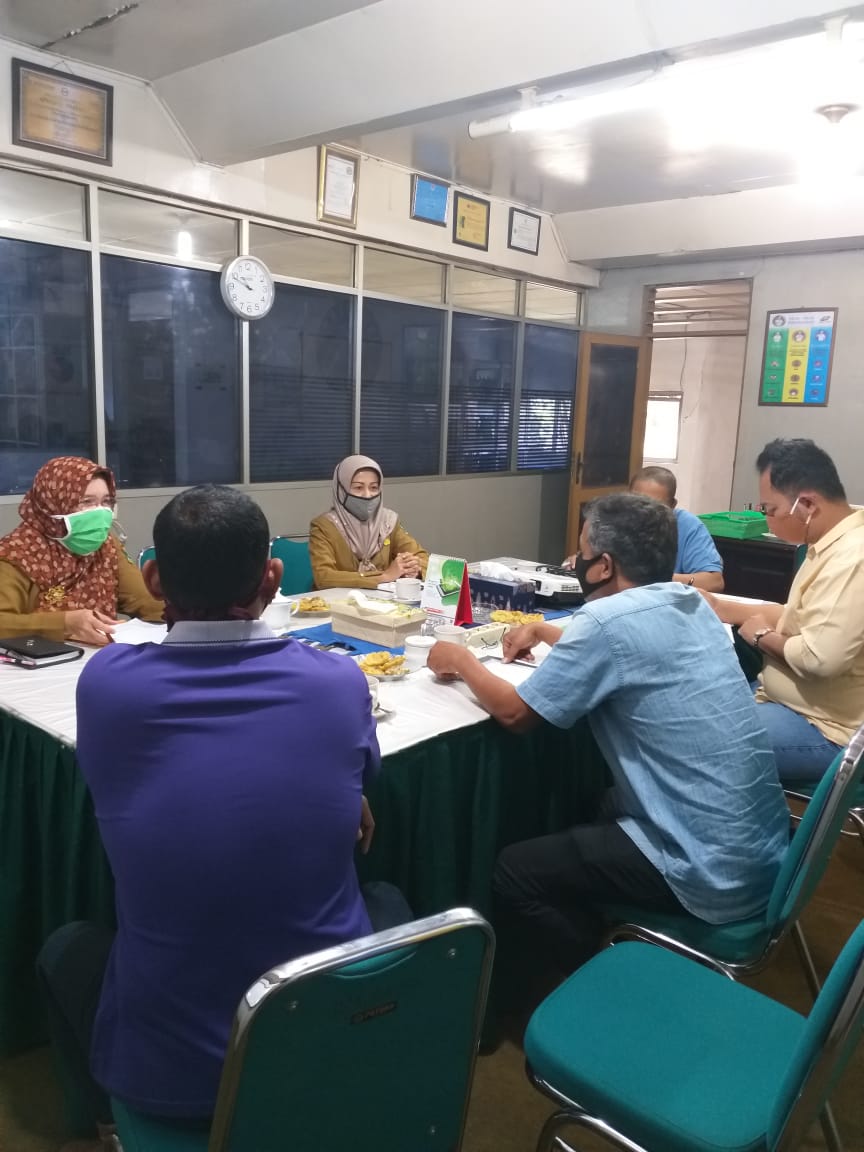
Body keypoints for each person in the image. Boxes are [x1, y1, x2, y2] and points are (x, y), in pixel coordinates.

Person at [37, 484, 409, 1151]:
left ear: (154, 580)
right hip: (322, 1038)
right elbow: (357, 773)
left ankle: (102, 1126)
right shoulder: (338, 683)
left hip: (172, 1075)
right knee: (384, 898)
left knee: (67, 948)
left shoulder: (109, 686)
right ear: (273, 577)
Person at [427, 492, 787, 990]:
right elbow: (633, 649)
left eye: (582, 552)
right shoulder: (692, 603)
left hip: (705, 867)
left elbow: (515, 714)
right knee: (594, 804)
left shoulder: (604, 621)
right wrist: (546, 632)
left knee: (514, 871)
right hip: (763, 856)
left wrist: (461, 660)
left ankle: (607, 980)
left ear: (604, 566)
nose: (577, 561)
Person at [702, 438, 864, 784]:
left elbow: (819, 659)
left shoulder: (853, 558)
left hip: (825, 730)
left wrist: (761, 636)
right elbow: (800, 617)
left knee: (700, 739)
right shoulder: (828, 542)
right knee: (699, 705)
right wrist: (720, 606)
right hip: (787, 703)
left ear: (807, 505)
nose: (766, 519)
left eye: (769, 510)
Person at [0, 456, 163, 645]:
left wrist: (184, 616)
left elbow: (148, 601)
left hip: (100, 654)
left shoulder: (106, 546)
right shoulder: (16, 554)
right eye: (87, 502)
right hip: (39, 658)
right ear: (52, 504)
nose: (99, 512)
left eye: (106, 501)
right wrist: (65, 623)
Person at [563, 466, 724, 591]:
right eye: (636, 502)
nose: (642, 513)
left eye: (655, 506)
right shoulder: (615, 521)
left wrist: (654, 579)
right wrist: (583, 563)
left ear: (672, 505)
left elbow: (714, 582)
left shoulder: (688, 526)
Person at [309, 454, 429, 589]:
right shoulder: (324, 526)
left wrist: (413, 567)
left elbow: (423, 558)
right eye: (358, 488)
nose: (367, 495)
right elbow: (324, 577)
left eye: (373, 488)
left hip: (382, 599)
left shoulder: (388, 522)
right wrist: (384, 577)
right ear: (341, 490)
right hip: (337, 600)